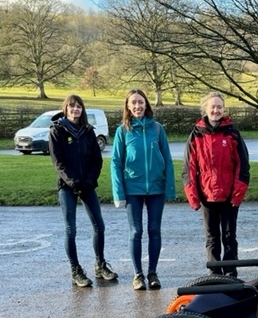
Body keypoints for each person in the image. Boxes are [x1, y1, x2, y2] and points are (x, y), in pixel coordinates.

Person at [49, 94, 118, 287]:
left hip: (87, 186)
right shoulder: (57, 131)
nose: (75, 109)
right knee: (71, 229)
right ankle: (76, 270)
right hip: (67, 186)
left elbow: (97, 159)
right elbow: (58, 162)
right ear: (66, 109)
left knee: (99, 226)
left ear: (82, 110)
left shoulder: (88, 131)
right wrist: (73, 183)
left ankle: (100, 264)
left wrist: (89, 181)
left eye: (78, 106)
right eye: (71, 106)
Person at [111, 88, 176, 290]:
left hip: (156, 188)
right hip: (133, 189)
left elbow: (168, 160)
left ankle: (153, 273)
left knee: (154, 230)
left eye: (141, 102)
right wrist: (118, 193)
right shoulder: (123, 131)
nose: (138, 106)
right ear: (128, 107)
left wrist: (170, 188)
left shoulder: (157, 129)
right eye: (134, 103)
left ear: (146, 104)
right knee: (136, 231)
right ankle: (138, 275)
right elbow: (115, 162)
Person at [182, 92, 250, 277]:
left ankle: (230, 272)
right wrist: (193, 198)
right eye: (212, 106)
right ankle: (214, 272)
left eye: (219, 107)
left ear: (223, 109)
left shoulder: (232, 134)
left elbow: (243, 167)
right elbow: (188, 169)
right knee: (212, 237)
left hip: (229, 196)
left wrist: (237, 195)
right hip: (206, 196)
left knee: (229, 236)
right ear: (205, 108)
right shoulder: (196, 135)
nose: (216, 110)